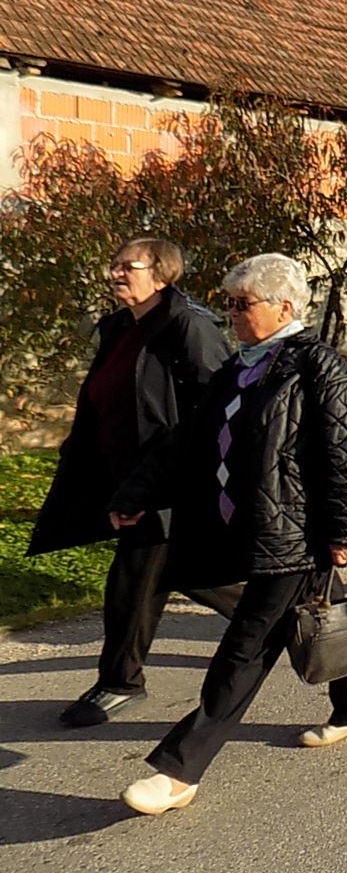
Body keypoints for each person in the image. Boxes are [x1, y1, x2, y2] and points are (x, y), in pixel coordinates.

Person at [108, 254, 347, 815]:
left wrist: (344, 531)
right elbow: (191, 440)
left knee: (248, 646)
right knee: (315, 618)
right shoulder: (243, 367)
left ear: (284, 307)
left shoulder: (318, 366)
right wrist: (136, 493)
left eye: (242, 304)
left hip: (299, 533)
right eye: (229, 303)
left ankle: (179, 770)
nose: (231, 314)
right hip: (258, 526)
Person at [29, 236, 234, 728]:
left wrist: (154, 485)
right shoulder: (121, 327)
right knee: (192, 578)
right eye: (114, 264)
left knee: (136, 579)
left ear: (161, 274)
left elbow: (214, 411)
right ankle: (303, 623)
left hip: (169, 481)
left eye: (128, 266)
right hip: (125, 478)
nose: (115, 273)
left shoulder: (188, 325)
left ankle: (120, 683)